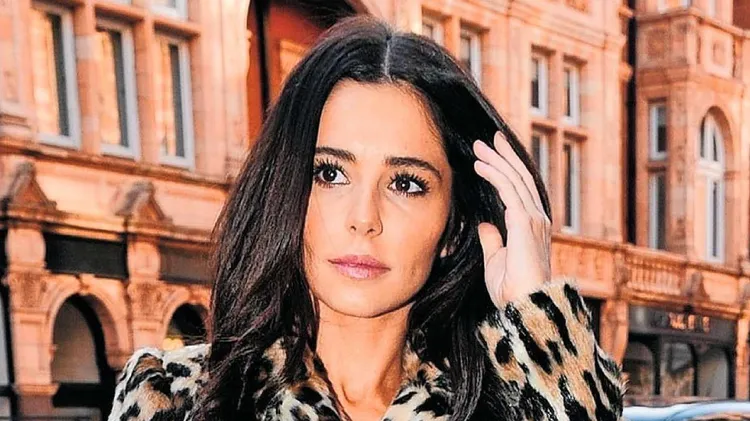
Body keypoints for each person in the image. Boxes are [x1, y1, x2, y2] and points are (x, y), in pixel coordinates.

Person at [108, 16, 624, 421]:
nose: (363, 218)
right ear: (288, 191)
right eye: (330, 173)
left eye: (406, 183)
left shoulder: (502, 408)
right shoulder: (173, 398)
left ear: (452, 228)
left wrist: (537, 315)